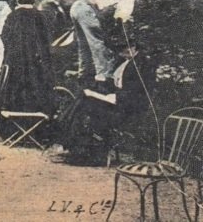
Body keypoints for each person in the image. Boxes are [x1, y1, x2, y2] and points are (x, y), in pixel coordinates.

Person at [57, 25, 155, 165]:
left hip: (127, 109)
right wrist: (103, 84)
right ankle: (72, 144)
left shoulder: (142, 64)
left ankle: (73, 145)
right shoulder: (126, 61)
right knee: (84, 98)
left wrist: (104, 96)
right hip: (117, 102)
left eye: (122, 50)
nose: (120, 53)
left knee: (85, 103)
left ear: (133, 46)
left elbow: (134, 93)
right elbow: (118, 83)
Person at [1, 0, 56, 114]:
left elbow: (5, 37)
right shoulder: (40, 16)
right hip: (37, 62)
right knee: (37, 88)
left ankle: (13, 119)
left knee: (15, 89)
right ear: (33, 0)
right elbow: (47, 39)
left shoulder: (12, 16)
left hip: (15, 62)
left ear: (18, 0)